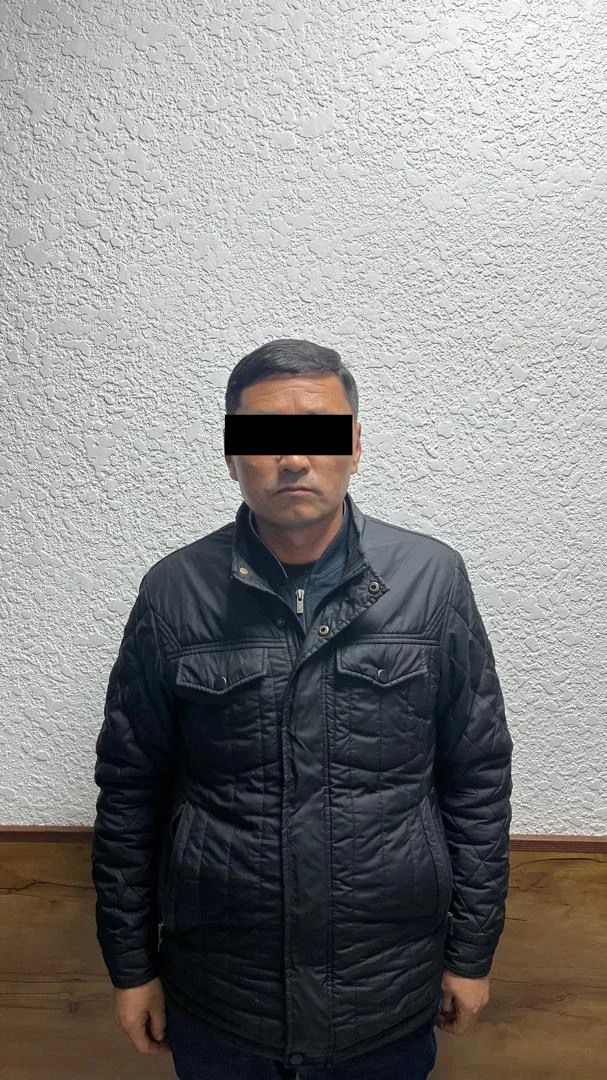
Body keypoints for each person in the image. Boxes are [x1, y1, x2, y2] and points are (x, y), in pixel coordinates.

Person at [92, 338, 513, 1079]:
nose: (293, 459)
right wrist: (131, 967)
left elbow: (476, 775)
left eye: (319, 432)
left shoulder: (432, 581)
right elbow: (130, 791)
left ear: (355, 445)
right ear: (232, 454)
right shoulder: (173, 593)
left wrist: (471, 952)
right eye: (264, 437)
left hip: (386, 997)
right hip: (221, 1001)